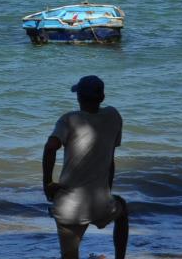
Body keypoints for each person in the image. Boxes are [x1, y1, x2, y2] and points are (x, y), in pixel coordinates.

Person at [42, 75, 128, 259]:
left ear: (79, 98)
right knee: (122, 210)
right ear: (102, 98)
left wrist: (47, 183)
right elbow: (110, 160)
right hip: (100, 203)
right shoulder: (113, 116)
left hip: (69, 207)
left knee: (70, 255)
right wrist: (107, 192)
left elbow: (50, 147)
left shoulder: (69, 119)